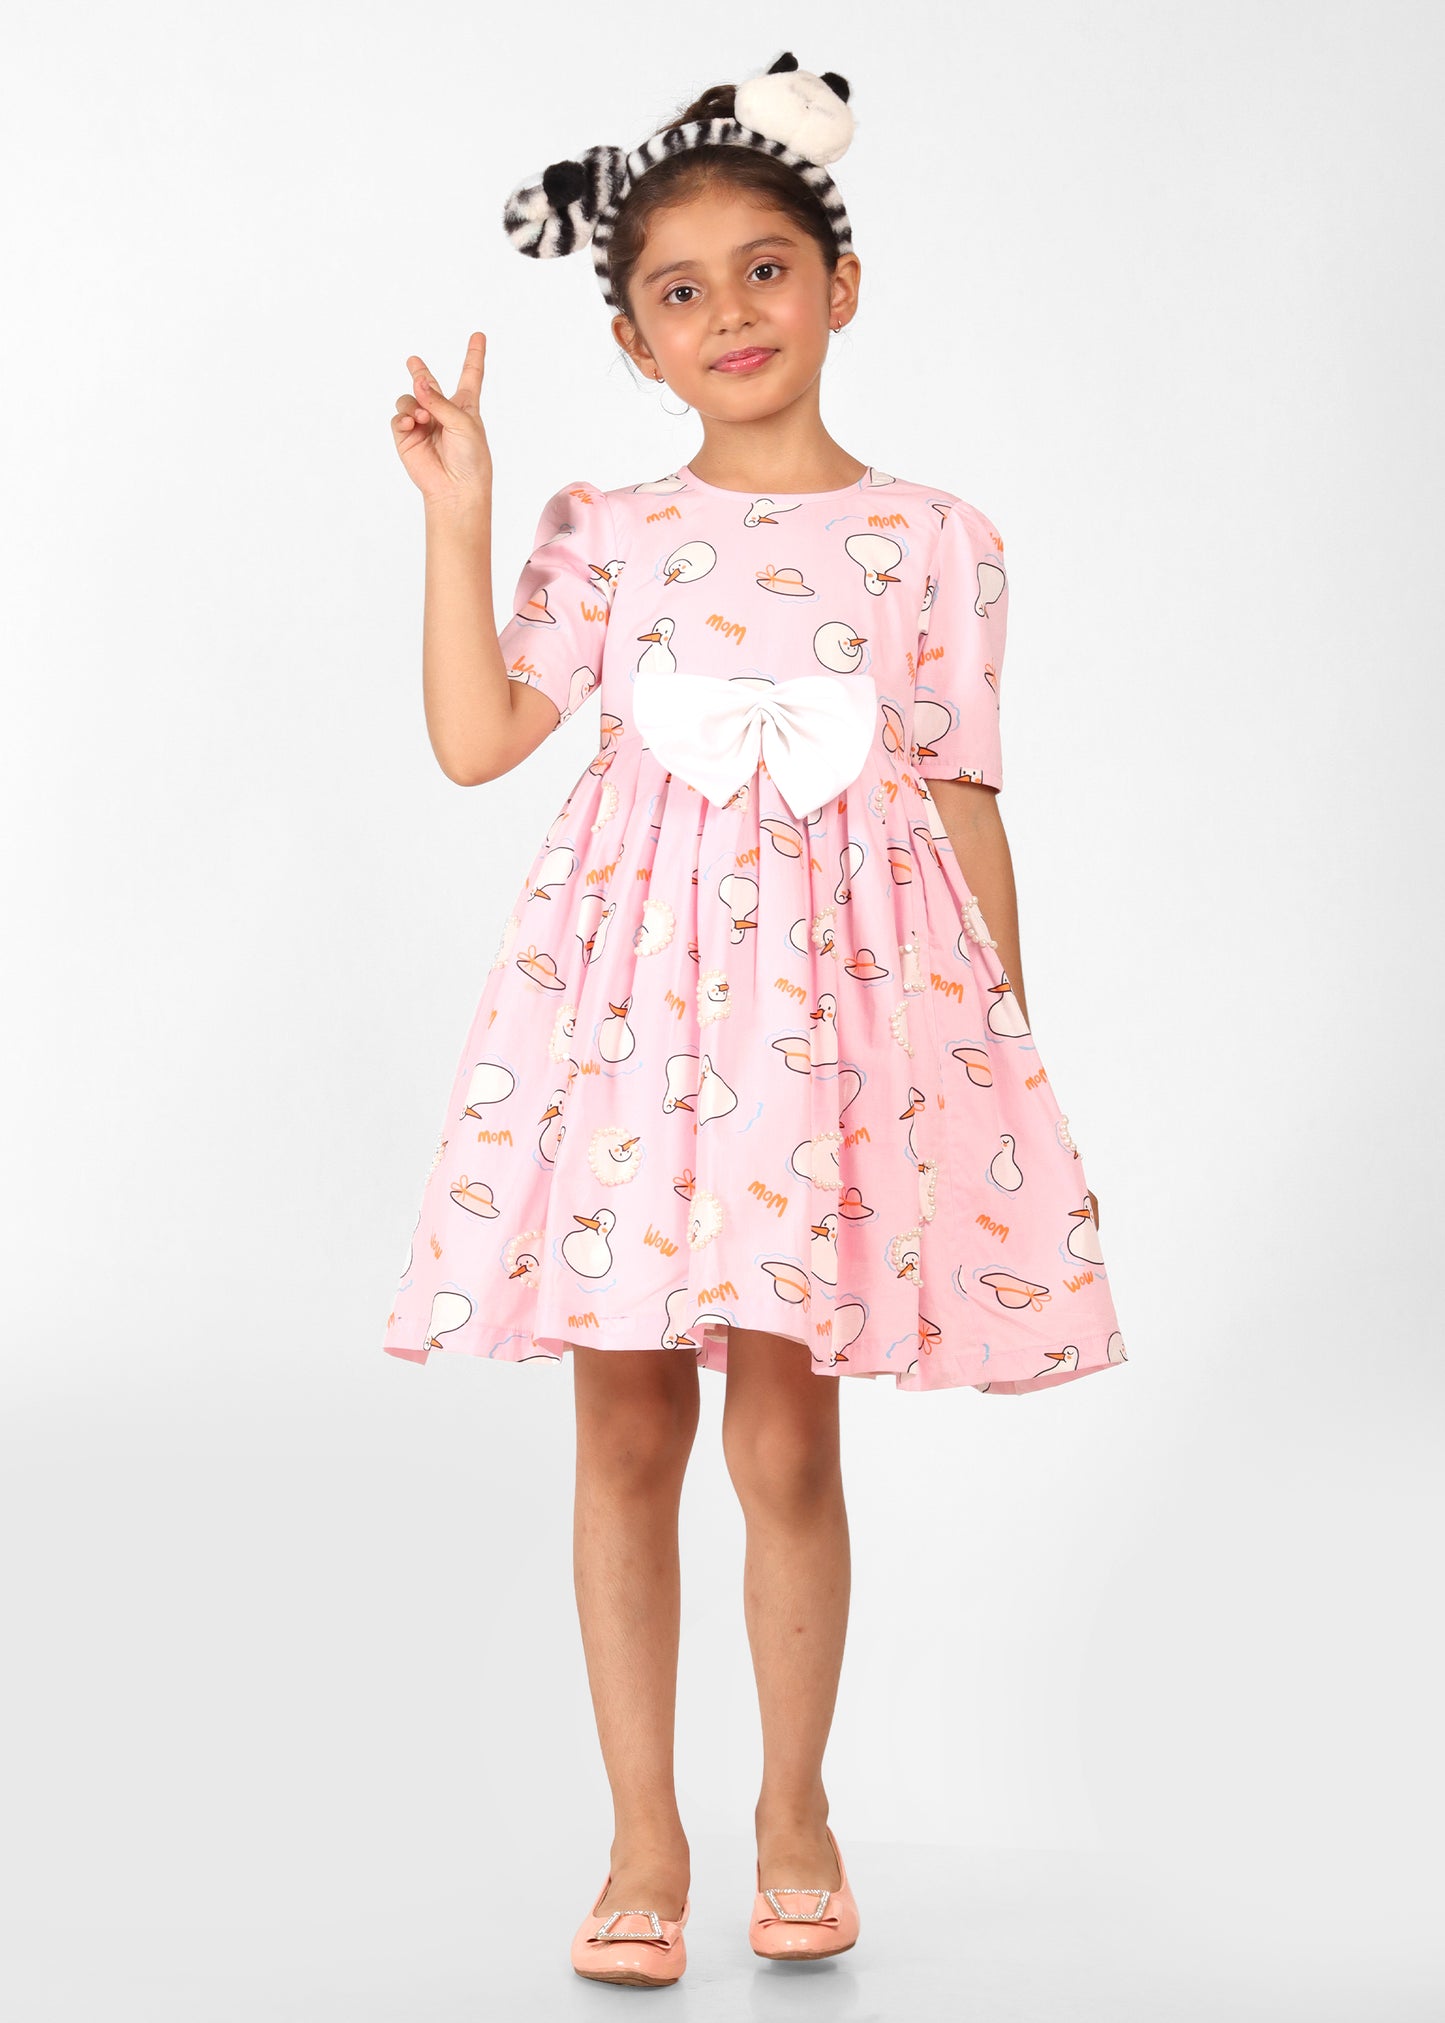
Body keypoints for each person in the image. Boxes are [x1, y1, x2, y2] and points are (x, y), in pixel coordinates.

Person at [382, 51, 1129, 1989]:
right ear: (632, 341)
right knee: (626, 1425)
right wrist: (461, 517)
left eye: (765, 269)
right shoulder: (607, 528)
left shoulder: (937, 538)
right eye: (680, 290)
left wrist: (997, 1086)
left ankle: (797, 1812)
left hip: (824, 1053)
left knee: (787, 1440)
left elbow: (963, 803)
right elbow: (477, 739)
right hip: (631, 1036)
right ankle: (645, 1832)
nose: (729, 312)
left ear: (840, 285)